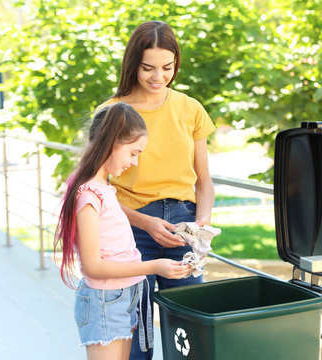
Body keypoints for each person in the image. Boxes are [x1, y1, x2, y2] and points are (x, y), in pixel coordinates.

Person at [96, 20, 216, 359]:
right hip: (129, 229)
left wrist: (201, 225)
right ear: (132, 63)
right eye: (148, 67)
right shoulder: (110, 112)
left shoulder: (189, 108)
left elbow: (204, 181)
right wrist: (145, 222)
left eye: (167, 67)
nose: (157, 77)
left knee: (192, 332)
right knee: (136, 336)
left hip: (183, 229)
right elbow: (97, 188)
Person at [54, 102, 191, 360]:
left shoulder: (102, 187)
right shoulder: (88, 195)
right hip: (106, 300)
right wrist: (155, 266)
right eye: (133, 153)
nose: (135, 162)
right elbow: (94, 267)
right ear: (111, 142)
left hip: (122, 295)